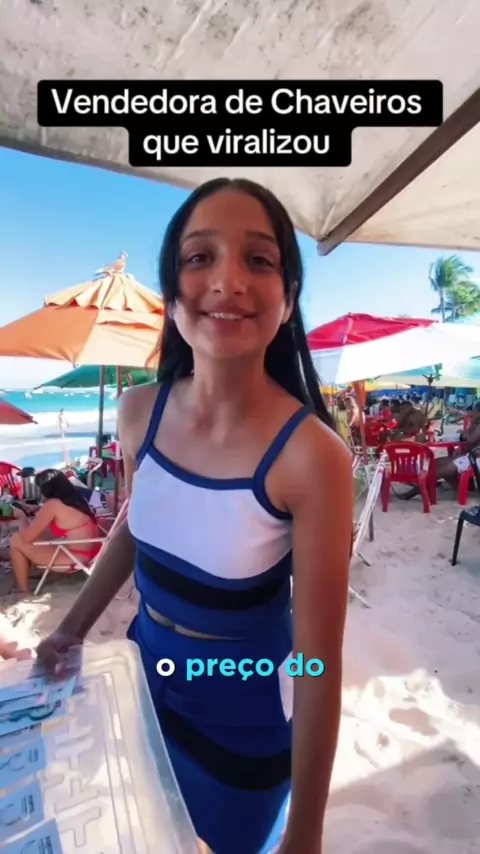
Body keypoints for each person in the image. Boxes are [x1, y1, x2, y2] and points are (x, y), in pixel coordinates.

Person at [35, 178, 353, 854]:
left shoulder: (311, 457)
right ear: (172, 292)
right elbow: (137, 525)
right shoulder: (137, 413)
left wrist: (306, 832)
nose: (228, 280)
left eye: (259, 260)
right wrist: (71, 629)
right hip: (145, 677)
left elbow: (318, 662)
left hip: (245, 711)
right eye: (200, 257)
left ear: (288, 297)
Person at [9, 469, 101, 593]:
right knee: (42, 533)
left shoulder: (52, 505)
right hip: (93, 554)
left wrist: (22, 517)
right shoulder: (76, 499)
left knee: (15, 540)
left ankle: (23, 590)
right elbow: (61, 513)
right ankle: (32, 571)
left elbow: (26, 537)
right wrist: (39, 509)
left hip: (75, 559)